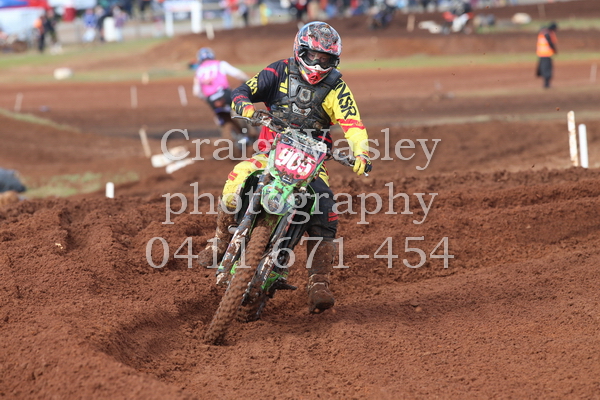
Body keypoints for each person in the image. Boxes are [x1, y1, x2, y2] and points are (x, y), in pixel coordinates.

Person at [197, 22, 372, 314]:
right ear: (300, 51)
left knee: (325, 209)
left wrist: (361, 152)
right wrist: (248, 108)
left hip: (313, 163)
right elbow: (242, 92)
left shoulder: (337, 88)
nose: (318, 64)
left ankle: (318, 282)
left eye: (325, 59)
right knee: (236, 180)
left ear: (334, 61)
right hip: (269, 153)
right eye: (313, 56)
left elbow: (353, 124)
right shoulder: (278, 71)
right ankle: (220, 241)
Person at [192, 47, 253, 146]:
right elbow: (238, 73)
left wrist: (207, 98)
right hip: (224, 93)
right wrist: (247, 81)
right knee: (239, 105)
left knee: (219, 117)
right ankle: (248, 128)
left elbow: (196, 92)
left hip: (211, 99)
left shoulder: (198, 71)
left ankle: (232, 136)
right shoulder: (219, 64)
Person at [536, 22, 558, 89]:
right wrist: (554, 49)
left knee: (544, 69)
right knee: (546, 69)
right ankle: (546, 84)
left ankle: (546, 83)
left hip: (542, 54)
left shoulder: (543, 32)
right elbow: (549, 41)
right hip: (546, 54)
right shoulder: (547, 33)